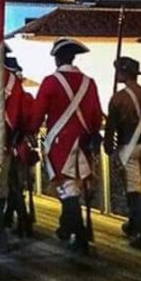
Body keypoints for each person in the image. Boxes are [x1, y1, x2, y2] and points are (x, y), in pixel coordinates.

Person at [29, 37, 102, 256]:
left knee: (68, 190)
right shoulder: (89, 83)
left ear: (57, 58)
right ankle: (65, 227)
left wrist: (31, 131)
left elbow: (37, 115)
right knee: (74, 187)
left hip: (61, 143)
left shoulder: (50, 82)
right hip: (83, 142)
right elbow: (96, 116)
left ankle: (80, 237)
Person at [104, 56, 141, 250]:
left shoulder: (118, 98)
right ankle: (133, 224)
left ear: (123, 73)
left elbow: (111, 127)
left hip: (128, 147)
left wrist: (108, 147)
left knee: (133, 191)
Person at [2, 50, 38, 239]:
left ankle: (22, 219)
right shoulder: (27, 98)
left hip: (12, 145)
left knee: (13, 185)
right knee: (16, 185)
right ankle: (10, 216)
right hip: (23, 145)